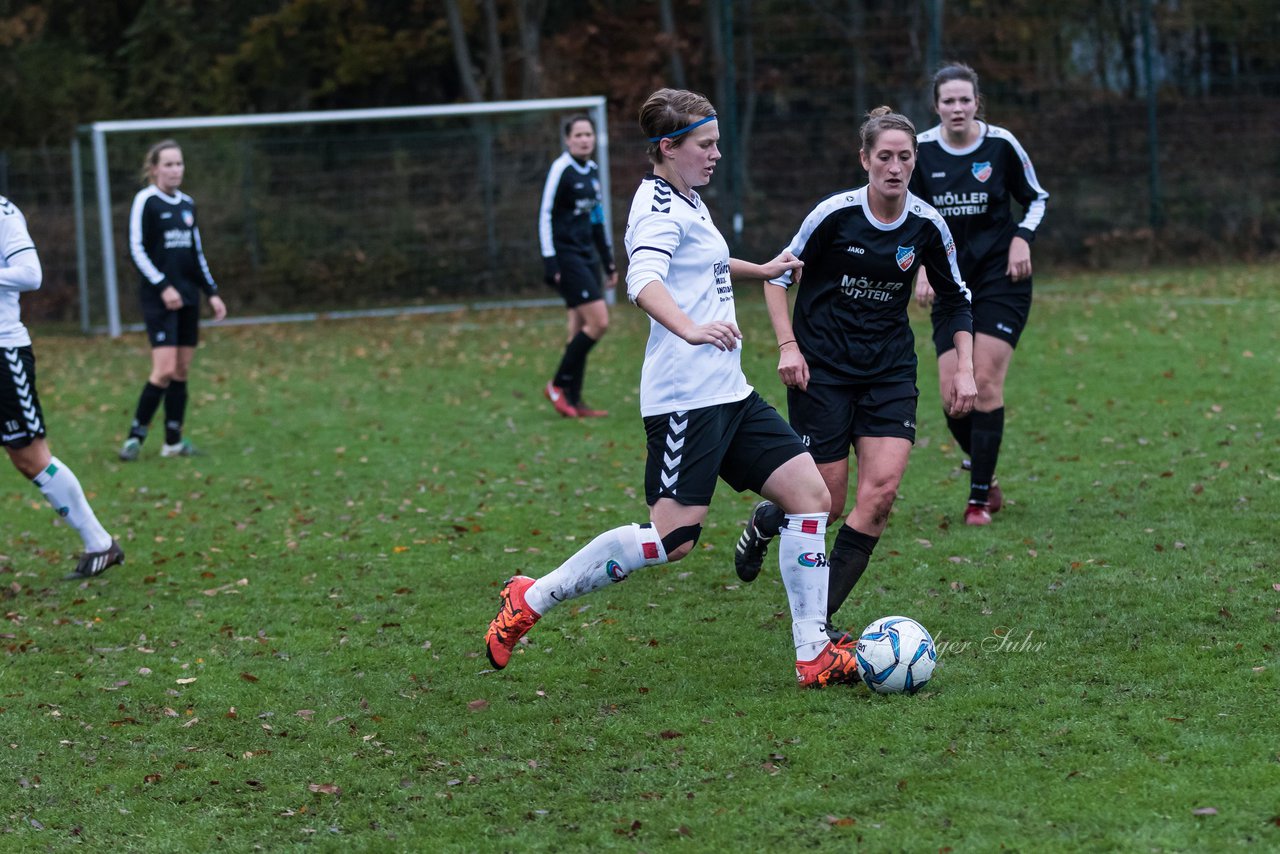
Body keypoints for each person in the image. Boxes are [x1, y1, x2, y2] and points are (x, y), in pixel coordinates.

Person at [487, 88, 859, 689]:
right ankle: (531, 597)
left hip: (730, 393)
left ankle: (813, 654)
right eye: (705, 145)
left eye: (716, 143)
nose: (716, 155)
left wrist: (758, 270)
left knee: (811, 499)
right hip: (685, 398)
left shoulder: (687, 197)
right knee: (673, 539)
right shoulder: (655, 209)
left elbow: (704, 260)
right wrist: (689, 329)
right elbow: (644, 281)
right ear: (669, 148)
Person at [733, 107, 976, 634]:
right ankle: (765, 521)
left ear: (915, 162)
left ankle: (815, 626)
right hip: (822, 371)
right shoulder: (833, 216)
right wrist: (788, 346)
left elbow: (957, 300)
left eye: (904, 157)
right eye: (884, 156)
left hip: (888, 372)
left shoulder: (927, 224)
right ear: (864, 159)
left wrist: (964, 370)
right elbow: (776, 280)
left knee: (881, 496)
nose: (894, 167)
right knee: (828, 501)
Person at [910, 63, 1049, 525]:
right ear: (936, 106)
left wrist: (1022, 237)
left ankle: (976, 503)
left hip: (1000, 281)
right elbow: (910, 215)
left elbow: (1037, 197)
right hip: (951, 285)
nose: (956, 108)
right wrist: (922, 268)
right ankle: (986, 475)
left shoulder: (1001, 144)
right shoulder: (921, 151)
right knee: (955, 395)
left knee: (984, 382)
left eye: (964, 100)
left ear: (976, 103)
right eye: (947, 101)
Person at [0, 195, 125, 579]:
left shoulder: (2, 212)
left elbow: (31, 273)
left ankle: (100, 544)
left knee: (30, 457)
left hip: (3, 351)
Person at [118, 139, 227, 461]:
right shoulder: (146, 201)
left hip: (189, 299)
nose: (175, 169)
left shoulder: (187, 205)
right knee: (163, 370)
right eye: (168, 164)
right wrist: (164, 286)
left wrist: (213, 293)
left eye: (179, 164)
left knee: (180, 371)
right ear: (153, 169)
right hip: (160, 300)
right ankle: (135, 437)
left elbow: (196, 255)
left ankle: (173, 443)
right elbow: (136, 249)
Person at [539, 114, 617, 418]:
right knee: (599, 322)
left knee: (577, 331)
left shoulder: (592, 171)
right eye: (578, 135)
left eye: (589, 134)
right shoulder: (562, 169)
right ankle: (557, 385)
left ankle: (573, 400)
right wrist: (550, 260)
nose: (585, 139)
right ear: (567, 140)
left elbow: (597, 219)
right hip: (566, 256)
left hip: (587, 256)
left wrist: (608, 261)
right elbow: (545, 215)